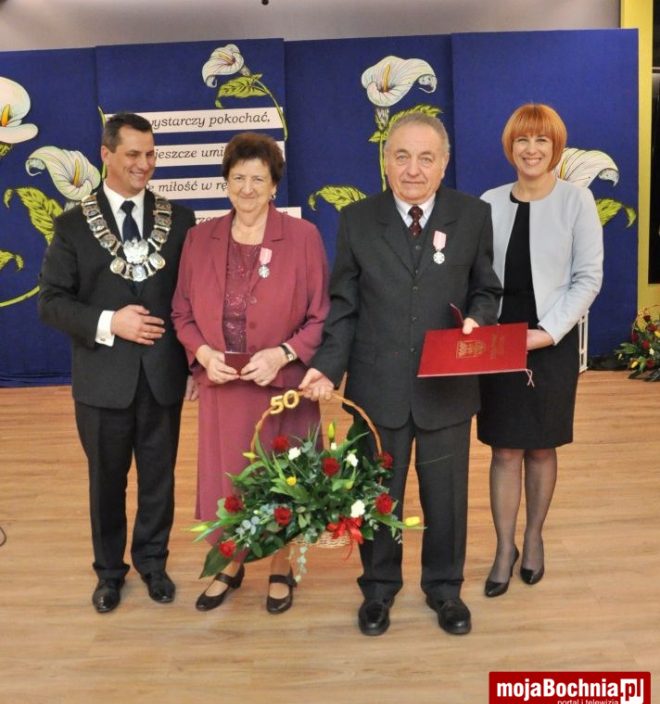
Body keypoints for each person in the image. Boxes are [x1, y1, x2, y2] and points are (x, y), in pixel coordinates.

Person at [300, 113, 502, 636]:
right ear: (386, 161)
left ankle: (445, 590)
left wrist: (478, 319)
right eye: (402, 156)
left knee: (446, 499)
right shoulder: (357, 220)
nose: (413, 169)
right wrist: (327, 369)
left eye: (425, 158)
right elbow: (344, 306)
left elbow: (486, 288)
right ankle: (378, 589)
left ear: (444, 164)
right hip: (376, 388)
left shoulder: (472, 215)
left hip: (446, 387)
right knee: (376, 495)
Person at [38, 112, 197, 613]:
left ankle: (153, 563)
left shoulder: (181, 220)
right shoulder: (71, 226)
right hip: (102, 381)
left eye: (150, 154)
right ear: (106, 155)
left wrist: (196, 361)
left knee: (159, 480)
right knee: (106, 483)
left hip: (162, 377)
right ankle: (109, 573)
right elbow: (51, 303)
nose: (143, 164)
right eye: (132, 154)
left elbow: (190, 300)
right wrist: (111, 321)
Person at [171, 132, 330, 614]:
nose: (247, 188)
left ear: (274, 185)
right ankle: (230, 563)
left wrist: (283, 353)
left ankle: (281, 566)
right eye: (238, 177)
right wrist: (201, 353)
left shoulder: (303, 237)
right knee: (229, 480)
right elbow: (181, 312)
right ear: (225, 182)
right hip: (224, 386)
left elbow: (320, 315)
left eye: (258, 179)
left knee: (285, 477)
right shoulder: (199, 239)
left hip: (282, 386)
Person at [478, 103, 603, 597]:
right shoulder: (489, 202)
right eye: (523, 140)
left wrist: (547, 333)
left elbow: (587, 278)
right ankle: (503, 548)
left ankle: (533, 538)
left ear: (556, 148)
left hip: (551, 342)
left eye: (542, 141)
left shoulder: (577, 201)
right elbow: (476, 275)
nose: (531, 150)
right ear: (510, 147)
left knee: (541, 446)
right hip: (499, 341)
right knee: (504, 447)